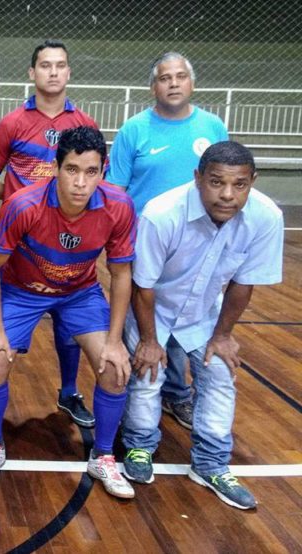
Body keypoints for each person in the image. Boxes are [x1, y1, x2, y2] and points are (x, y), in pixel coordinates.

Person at [121, 141, 283, 510]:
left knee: (221, 375)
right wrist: (149, 340)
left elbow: (244, 282)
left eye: (239, 184)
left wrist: (223, 335)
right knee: (148, 376)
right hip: (153, 308)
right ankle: (139, 446)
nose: (227, 194)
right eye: (216, 182)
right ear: (198, 178)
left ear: (252, 182)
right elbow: (143, 284)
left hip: (203, 311)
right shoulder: (162, 213)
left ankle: (210, 464)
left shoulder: (266, 217)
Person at [0, 126, 137, 498]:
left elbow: (121, 273)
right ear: (55, 168)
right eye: (72, 170)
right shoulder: (23, 205)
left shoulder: (118, 206)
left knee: (115, 368)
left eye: (91, 172)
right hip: (21, 291)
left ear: (103, 171)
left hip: (80, 294)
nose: (80, 183)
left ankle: (103, 456)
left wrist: (115, 341)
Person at [0, 39, 98, 429]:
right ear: (32, 73)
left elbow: (94, 181)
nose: (53, 72)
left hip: (68, 242)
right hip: (21, 246)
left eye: (60, 65)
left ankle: (69, 392)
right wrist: (21, 202)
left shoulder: (85, 125)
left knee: (70, 321)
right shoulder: (12, 123)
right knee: (2, 340)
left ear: (69, 72)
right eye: (45, 65)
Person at [107, 52, 230, 430]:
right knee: (141, 326)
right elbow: (115, 191)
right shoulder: (134, 130)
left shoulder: (212, 126)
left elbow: (226, 178)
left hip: (198, 249)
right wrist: (114, 245)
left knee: (186, 322)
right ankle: (133, 400)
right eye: (164, 77)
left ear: (192, 83)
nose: (173, 83)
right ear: (153, 86)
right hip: (145, 246)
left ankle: (176, 395)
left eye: (180, 76)